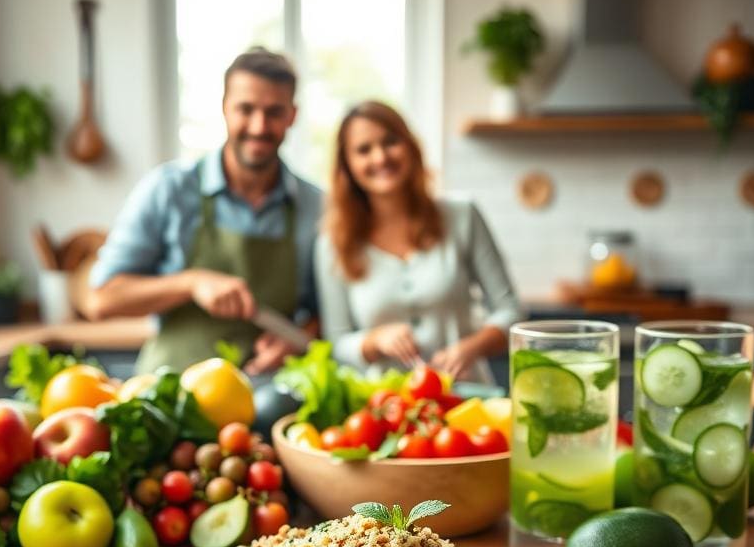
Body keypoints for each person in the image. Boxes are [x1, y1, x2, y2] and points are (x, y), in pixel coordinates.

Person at [87, 48, 322, 375]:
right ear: (225, 108)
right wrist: (191, 283)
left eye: (274, 112)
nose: (258, 126)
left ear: (292, 116)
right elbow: (101, 300)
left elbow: (323, 314)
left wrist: (297, 339)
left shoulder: (317, 207)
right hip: (170, 393)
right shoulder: (168, 190)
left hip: (266, 398)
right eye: (246, 109)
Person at [315, 101, 522, 381]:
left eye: (390, 142)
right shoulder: (333, 244)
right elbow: (335, 343)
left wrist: (471, 348)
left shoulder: (463, 216)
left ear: (410, 147)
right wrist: (374, 340)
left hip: (467, 396)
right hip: (386, 408)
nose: (380, 157)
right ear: (347, 165)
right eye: (364, 150)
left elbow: (511, 312)